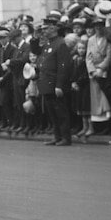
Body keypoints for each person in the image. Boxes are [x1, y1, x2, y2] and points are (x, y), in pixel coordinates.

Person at [39, 17, 74, 146]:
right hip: (47, 83)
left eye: (46, 28)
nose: (43, 31)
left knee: (61, 112)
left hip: (55, 84)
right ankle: (57, 136)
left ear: (54, 28)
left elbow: (63, 66)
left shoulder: (61, 43)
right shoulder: (48, 43)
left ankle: (65, 137)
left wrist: (59, 85)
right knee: (52, 113)